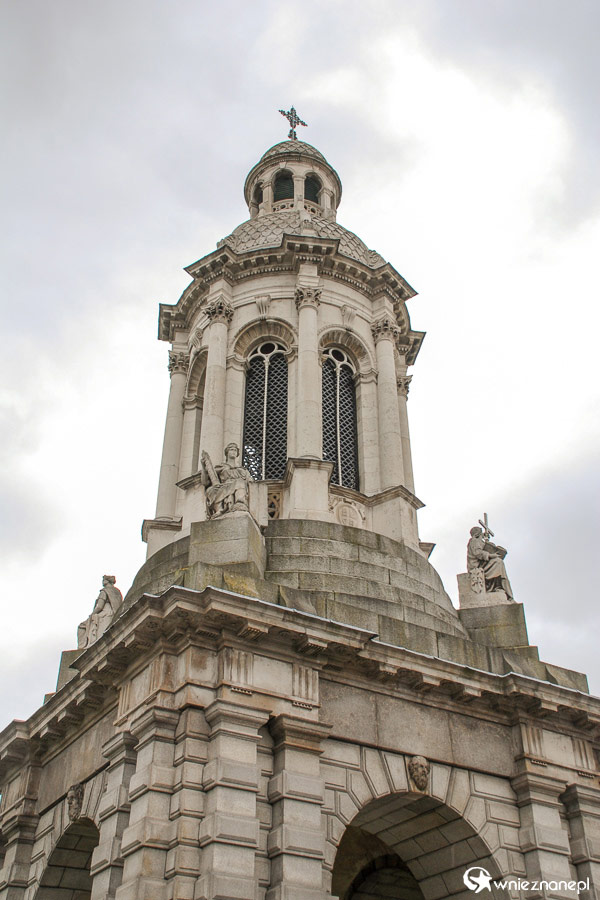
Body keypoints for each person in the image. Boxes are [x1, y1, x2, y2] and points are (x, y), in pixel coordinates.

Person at [203, 443, 252, 518]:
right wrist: (204, 467)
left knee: (240, 482)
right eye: (231, 450)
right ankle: (220, 509)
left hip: (238, 486)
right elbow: (205, 482)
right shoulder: (221, 467)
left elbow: (251, 482)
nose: (234, 452)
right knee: (211, 490)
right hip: (224, 487)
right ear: (227, 453)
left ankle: (240, 503)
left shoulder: (243, 470)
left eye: (235, 450)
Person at [467, 526, 513, 600]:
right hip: (477, 566)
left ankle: (497, 586)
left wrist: (487, 543)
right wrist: (491, 555)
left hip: (484, 563)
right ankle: (496, 586)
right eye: (481, 532)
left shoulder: (480, 541)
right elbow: (478, 553)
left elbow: (484, 548)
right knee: (498, 562)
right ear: (477, 533)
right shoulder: (474, 541)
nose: (482, 533)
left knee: (498, 562)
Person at [77, 575, 123, 649]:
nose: (102, 581)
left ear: (106, 581)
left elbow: (99, 607)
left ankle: (83, 646)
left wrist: (91, 614)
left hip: (105, 613)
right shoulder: (117, 591)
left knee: (81, 626)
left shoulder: (104, 591)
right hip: (113, 614)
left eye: (103, 579)